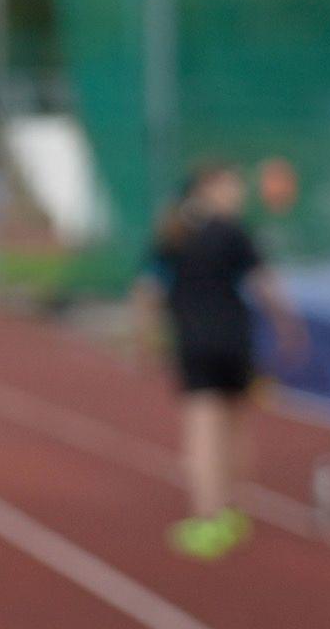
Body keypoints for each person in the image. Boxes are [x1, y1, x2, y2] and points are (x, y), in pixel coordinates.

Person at [131, 161, 307, 561]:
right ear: (208, 189)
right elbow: (264, 283)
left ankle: (208, 517)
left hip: (196, 344)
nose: (239, 193)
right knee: (237, 426)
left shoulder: (173, 235)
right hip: (234, 341)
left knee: (204, 431)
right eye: (232, 186)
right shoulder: (231, 232)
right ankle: (234, 511)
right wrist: (289, 327)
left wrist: (143, 339)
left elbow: (146, 289)